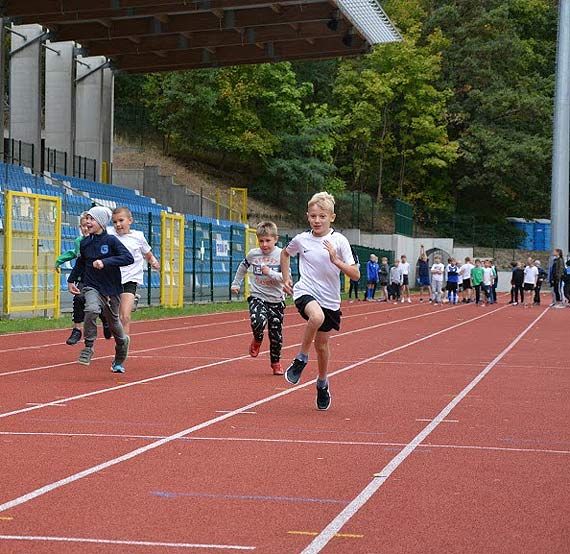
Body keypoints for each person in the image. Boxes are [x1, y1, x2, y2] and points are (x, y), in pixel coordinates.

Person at [281, 192, 359, 411]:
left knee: (322, 346)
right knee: (316, 316)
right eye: (313, 216)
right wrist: (287, 278)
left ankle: (322, 383)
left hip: (330, 299)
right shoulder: (301, 239)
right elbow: (285, 254)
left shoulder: (340, 241)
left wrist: (336, 260)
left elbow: (355, 275)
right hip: (305, 290)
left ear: (331, 218)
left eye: (322, 216)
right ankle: (300, 359)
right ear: (308, 216)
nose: (317, 220)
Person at [67, 206, 134, 370]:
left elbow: (128, 258)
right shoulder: (84, 243)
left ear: (101, 222)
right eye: (87, 219)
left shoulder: (111, 241)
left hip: (111, 289)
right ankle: (88, 346)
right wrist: (70, 280)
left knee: (114, 324)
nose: (87, 222)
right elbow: (81, 263)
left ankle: (121, 345)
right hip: (91, 286)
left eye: (91, 219)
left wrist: (105, 262)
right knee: (90, 310)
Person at [231, 221, 286, 375]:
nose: (264, 244)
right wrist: (236, 283)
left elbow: (286, 278)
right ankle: (257, 339)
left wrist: (270, 273)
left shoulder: (282, 255)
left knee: (276, 335)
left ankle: (275, 362)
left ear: (276, 239)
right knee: (257, 321)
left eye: (268, 240)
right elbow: (243, 267)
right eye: (261, 241)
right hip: (258, 296)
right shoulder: (253, 254)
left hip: (276, 300)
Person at [56, 212, 112, 345]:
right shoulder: (79, 242)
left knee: (100, 305)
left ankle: (105, 321)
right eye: (82, 226)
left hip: (100, 279)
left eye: (87, 226)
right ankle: (76, 330)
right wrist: (59, 261)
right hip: (84, 278)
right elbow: (76, 256)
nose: (85, 229)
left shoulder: (105, 240)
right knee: (79, 298)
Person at [109, 208, 160, 341]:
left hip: (130, 279)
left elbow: (147, 253)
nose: (118, 225)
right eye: (114, 222)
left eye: (121, 220)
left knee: (124, 316)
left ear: (130, 220)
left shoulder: (138, 236)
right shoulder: (108, 234)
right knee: (111, 317)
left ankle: (122, 349)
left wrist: (154, 262)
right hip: (111, 279)